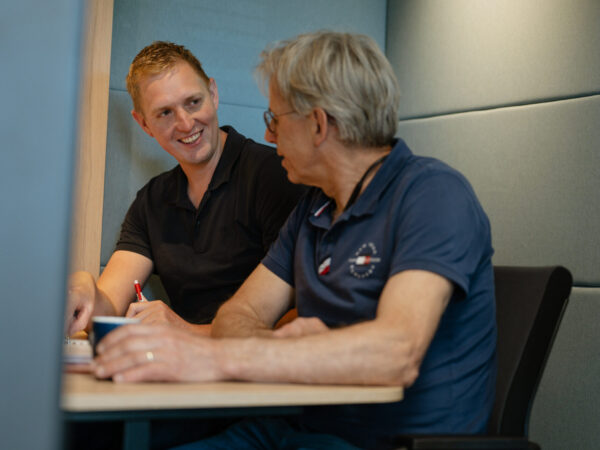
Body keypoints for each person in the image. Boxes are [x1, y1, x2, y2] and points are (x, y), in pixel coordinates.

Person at [92, 31, 497, 449]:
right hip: (291, 427)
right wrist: (279, 346)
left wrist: (218, 356)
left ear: (317, 124)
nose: (269, 136)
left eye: (275, 120)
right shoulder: (314, 208)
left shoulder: (433, 194)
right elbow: (239, 315)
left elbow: (396, 353)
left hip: (379, 440)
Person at [65, 41, 305, 336]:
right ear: (144, 124)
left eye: (193, 102)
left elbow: (297, 318)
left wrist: (186, 332)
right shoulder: (151, 201)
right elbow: (108, 307)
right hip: (178, 361)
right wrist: (86, 291)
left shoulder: (275, 176)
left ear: (213, 94)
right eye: (165, 113)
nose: (185, 123)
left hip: (255, 361)